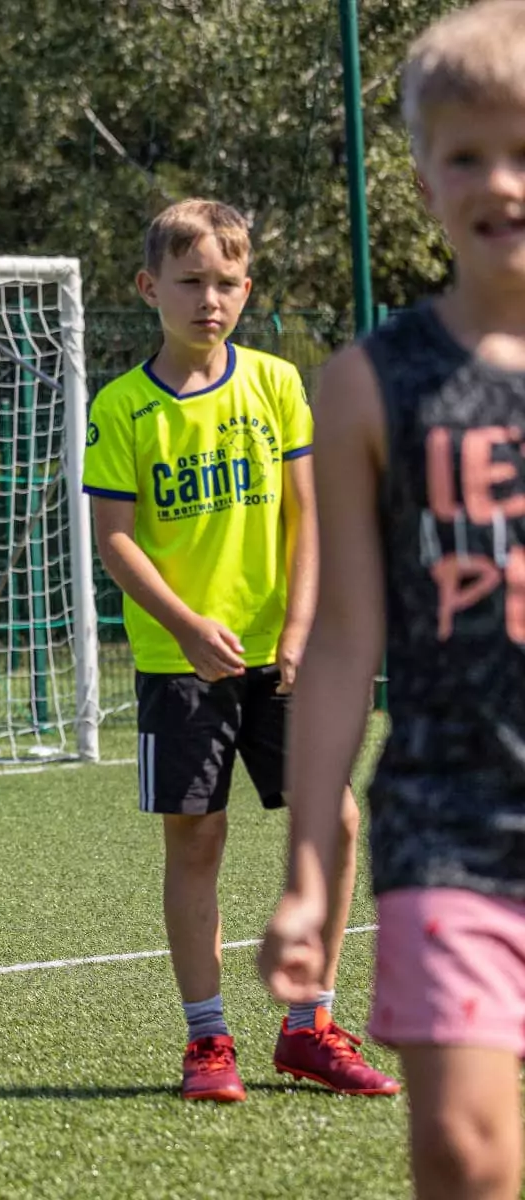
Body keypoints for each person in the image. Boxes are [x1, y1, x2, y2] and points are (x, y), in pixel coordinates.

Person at [261, 3, 525, 1192]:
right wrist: (311, 870)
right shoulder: (370, 384)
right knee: (464, 1152)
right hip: (449, 826)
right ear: (421, 177)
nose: (499, 181)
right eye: (467, 152)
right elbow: (342, 645)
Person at [82, 197, 397, 1103]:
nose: (209, 299)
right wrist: (185, 624)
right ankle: (207, 1041)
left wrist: (299, 630)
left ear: (246, 288)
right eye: (189, 282)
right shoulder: (123, 407)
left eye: (226, 283)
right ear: (151, 288)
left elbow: (309, 518)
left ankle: (310, 1026)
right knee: (198, 837)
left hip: (281, 654)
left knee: (334, 822)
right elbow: (117, 540)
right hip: (179, 663)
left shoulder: (276, 384)